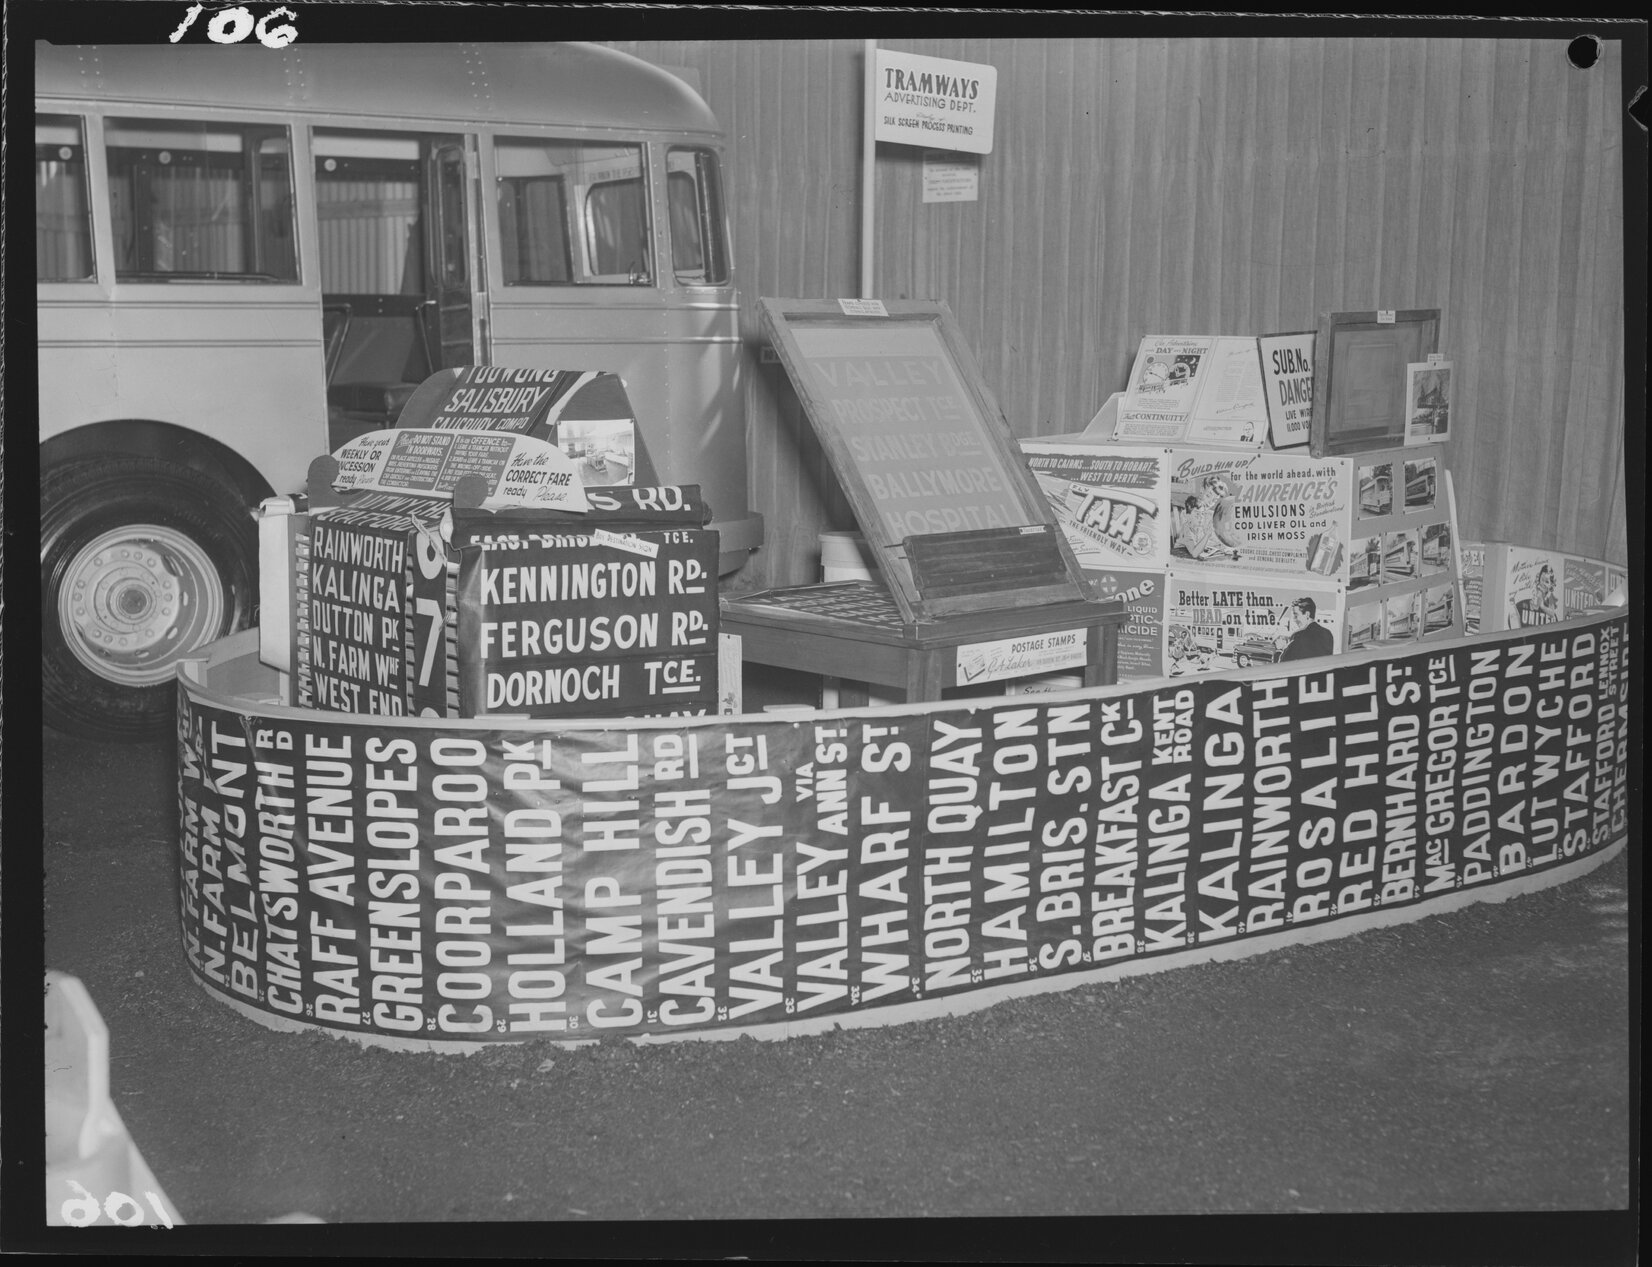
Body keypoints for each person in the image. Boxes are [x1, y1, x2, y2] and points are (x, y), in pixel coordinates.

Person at [1279, 596, 1334, 661]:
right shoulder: (1327, 633)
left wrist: (1281, 648)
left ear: (1307, 614)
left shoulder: (1299, 636)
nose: (1294, 619)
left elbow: (1284, 663)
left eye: (1296, 615)